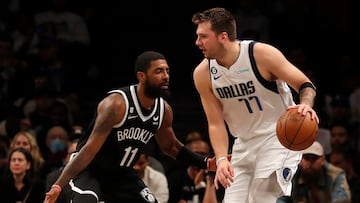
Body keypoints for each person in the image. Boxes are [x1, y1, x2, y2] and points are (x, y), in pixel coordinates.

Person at [44, 51, 217, 203]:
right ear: (141, 76)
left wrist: (206, 162)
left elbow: (170, 146)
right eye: (158, 71)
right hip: (91, 171)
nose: (166, 76)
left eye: (167, 71)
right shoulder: (116, 105)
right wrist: (58, 185)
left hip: (123, 175)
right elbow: (89, 151)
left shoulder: (164, 110)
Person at [191, 7, 319, 202]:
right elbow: (215, 123)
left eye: (203, 37)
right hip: (243, 143)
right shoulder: (203, 73)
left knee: (261, 196)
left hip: (278, 139)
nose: (197, 42)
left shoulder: (261, 54)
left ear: (223, 37)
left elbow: (305, 84)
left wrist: (306, 105)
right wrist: (222, 158)